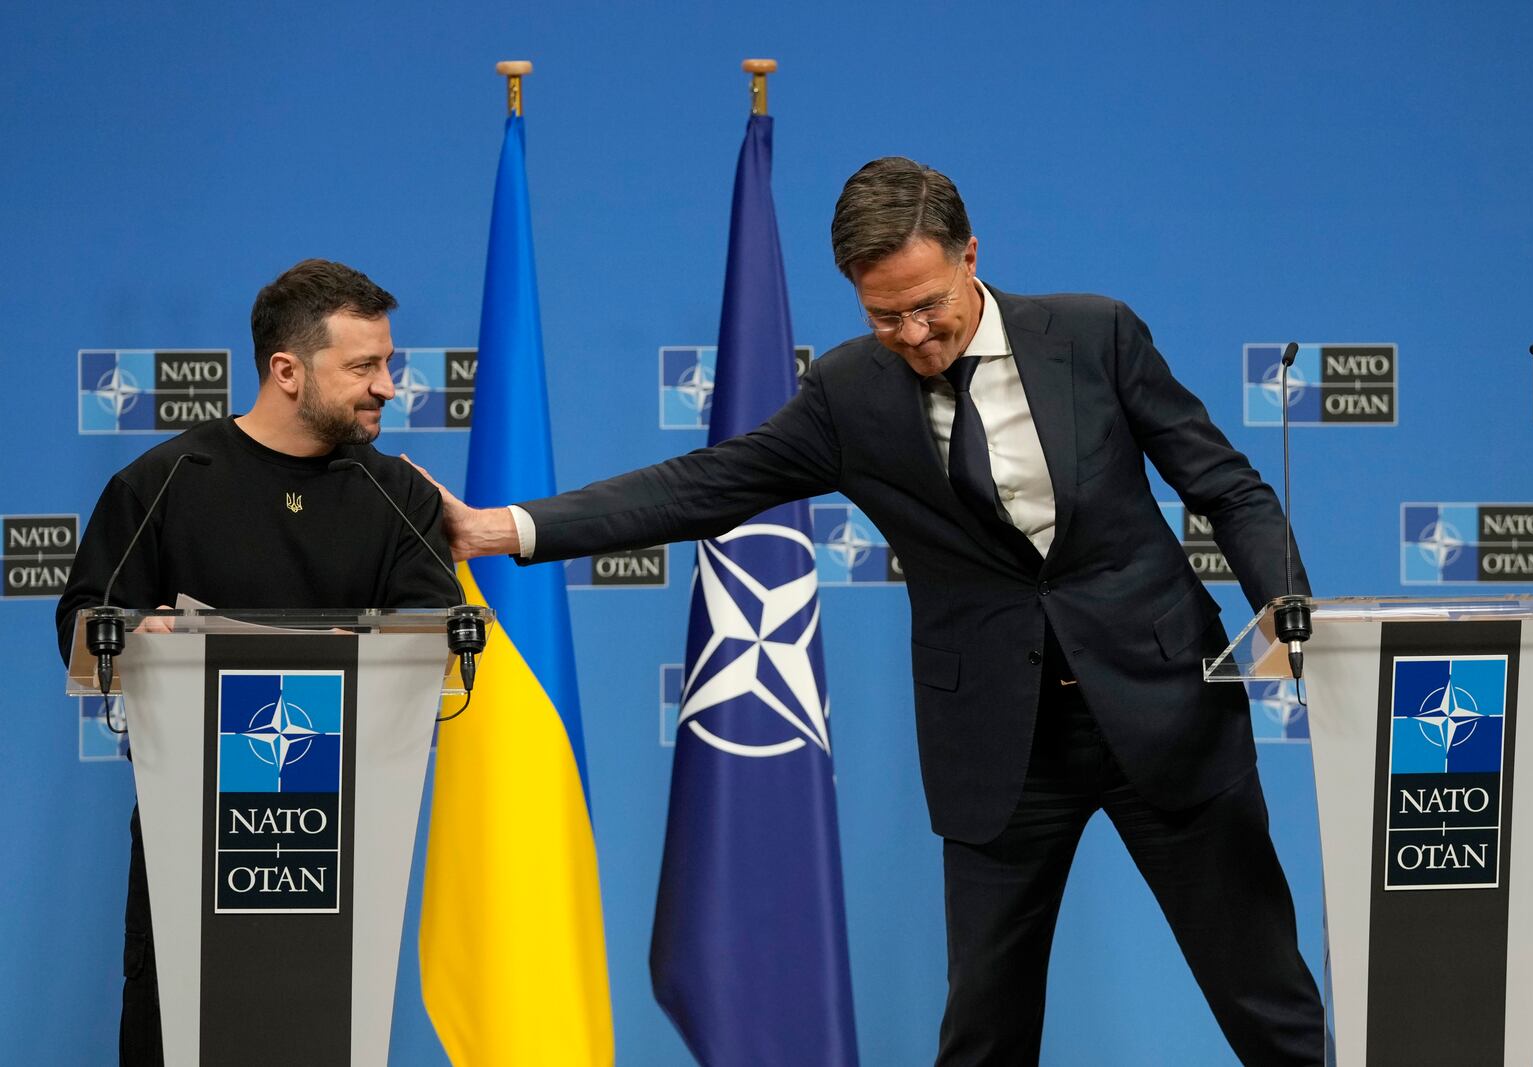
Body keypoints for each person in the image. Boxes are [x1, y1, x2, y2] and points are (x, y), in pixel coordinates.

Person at [429, 156, 1325, 1064]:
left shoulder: (1095, 336)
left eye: (929, 303)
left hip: (1162, 707)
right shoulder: (850, 395)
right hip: (1000, 745)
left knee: (1266, 998)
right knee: (982, 1033)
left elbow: (1228, 487)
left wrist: (1285, 602)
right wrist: (506, 527)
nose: (914, 333)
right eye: (883, 315)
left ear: (971, 254)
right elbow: (703, 485)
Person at [56, 259, 456, 1065]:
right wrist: (135, 640)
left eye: (388, 363)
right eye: (363, 366)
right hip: (191, 844)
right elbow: (85, 636)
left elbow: (433, 640)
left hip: (341, 843)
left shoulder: (400, 497)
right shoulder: (162, 483)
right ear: (286, 370)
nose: (387, 385)